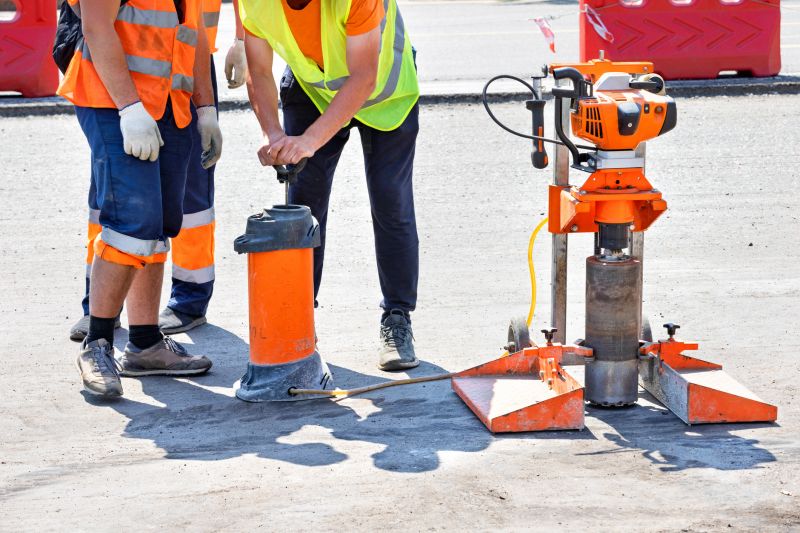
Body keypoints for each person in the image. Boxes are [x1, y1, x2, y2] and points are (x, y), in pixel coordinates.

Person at [240, 0, 421, 370]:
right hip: (312, 87)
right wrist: (273, 133)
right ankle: (297, 322)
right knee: (304, 204)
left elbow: (363, 77)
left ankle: (397, 318)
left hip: (386, 93)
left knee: (391, 201)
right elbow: (258, 68)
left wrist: (309, 140)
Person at [58, 0, 223, 398]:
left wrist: (206, 108)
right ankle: (96, 345)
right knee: (133, 221)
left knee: (160, 222)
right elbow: (98, 27)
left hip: (171, 105)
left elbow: (195, 35)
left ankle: (145, 344)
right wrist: (130, 109)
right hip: (114, 101)